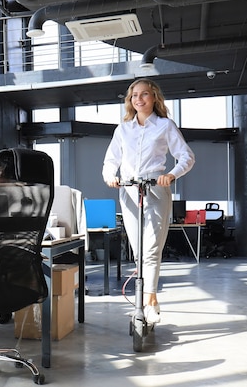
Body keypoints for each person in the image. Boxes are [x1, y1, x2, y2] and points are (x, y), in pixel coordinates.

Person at [102, 78, 195, 324]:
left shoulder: (165, 126)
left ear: (154, 97)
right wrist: (110, 176)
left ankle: (150, 299)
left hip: (155, 187)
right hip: (129, 189)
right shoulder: (123, 130)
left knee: (152, 248)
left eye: (144, 94)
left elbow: (186, 156)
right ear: (130, 100)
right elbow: (111, 160)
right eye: (134, 96)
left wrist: (171, 175)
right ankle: (146, 299)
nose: (138, 99)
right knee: (138, 251)